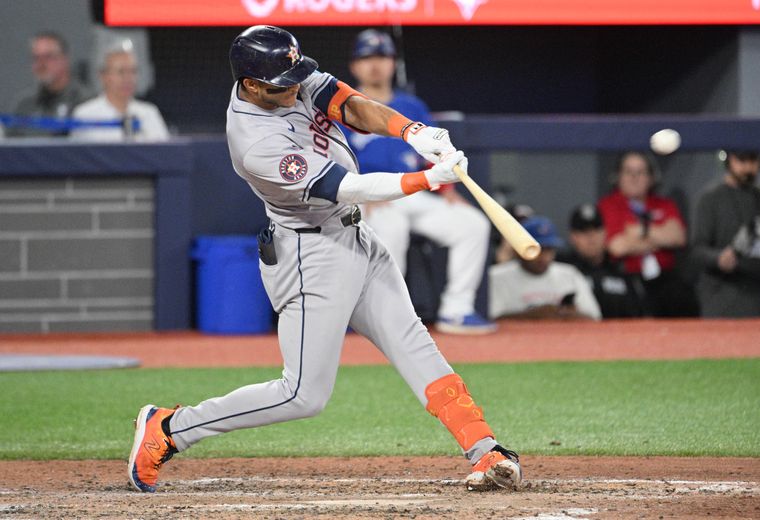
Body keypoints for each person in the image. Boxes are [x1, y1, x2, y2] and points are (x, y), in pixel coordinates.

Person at [127, 25, 520, 494]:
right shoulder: (255, 141)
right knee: (301, 394)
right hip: (310, 253)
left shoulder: (282, 74)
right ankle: (169, 430)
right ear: (251, 85)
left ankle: (484, 448)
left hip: (354, 233)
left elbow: (350, 103)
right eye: (283, 84)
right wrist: (424, 180)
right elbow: (344, 186)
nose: (296, 87)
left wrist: (411, 131)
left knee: (413, 342)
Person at [340, 29, 495, 335]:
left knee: (472, 224)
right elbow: (335, 160)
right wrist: (362, 193)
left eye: (382, 57)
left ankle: (457, 310)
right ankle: (389, 319)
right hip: (371, 196)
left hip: (414, 191)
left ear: (392, 63)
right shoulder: (345, 105)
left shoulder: (411, 106)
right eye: (367, 57)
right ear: (355, 66)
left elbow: (434, 151)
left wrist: (448, 189)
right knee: (391, 229)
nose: (375, 65)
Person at [597, 151, 697, 317]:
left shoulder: (664, 204)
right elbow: (617, 247)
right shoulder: (608, 205)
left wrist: (641, 231)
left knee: (682, 295)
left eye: (640, 172)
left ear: (651, 178)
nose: (634, 178)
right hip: (626, 277)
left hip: (664, 280)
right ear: (618, 177)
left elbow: (677, 237)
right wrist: (658, 236)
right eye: (628, 172)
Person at [692, 151, 760, 317]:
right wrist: (719, 258)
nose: (748, 167)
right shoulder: (710, 199)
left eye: (753, 160)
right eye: (741, 160)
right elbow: (697, 250)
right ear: (728, 160)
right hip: (721, 294)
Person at [489, 216, 601, 320]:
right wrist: (534, 315)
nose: (544, 256)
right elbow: (490, 321)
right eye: (538, 249)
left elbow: (594, 318)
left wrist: (566, 314)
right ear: (519, 248)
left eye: (549, 249)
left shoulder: (570, 274)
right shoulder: (497, 276)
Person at [560, 204, 647, 318]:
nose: (591, 237)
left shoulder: (621, 268)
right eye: (583, 231)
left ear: (605, 232)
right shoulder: (563, 270)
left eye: (596, 229)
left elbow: (638, 314)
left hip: (620, 334)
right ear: (573, 237)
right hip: (576, 334)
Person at [70, 42, 169, 141]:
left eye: (133, 71)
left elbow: (164, 152)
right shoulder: (85, 114)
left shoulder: (149, 113)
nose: (128, 78)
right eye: (121, 72)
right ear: (103, 76)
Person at [7, 31, 90, 137]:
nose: (41, 64)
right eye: (36, 58)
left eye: (48, 57)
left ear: (65, 59)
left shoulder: (85, 102)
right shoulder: (24, 105)